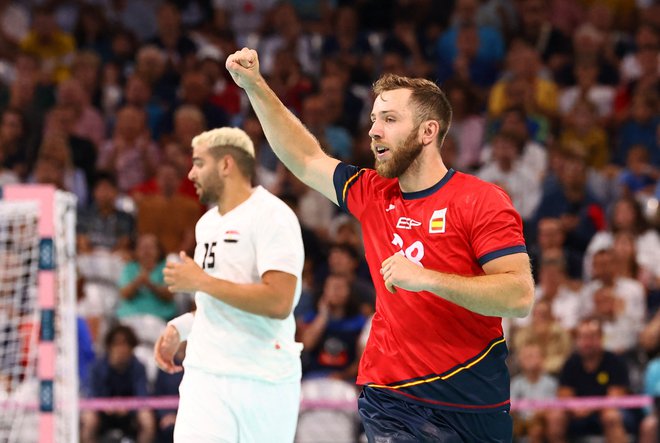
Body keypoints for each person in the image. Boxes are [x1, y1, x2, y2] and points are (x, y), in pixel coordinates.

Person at [226, 48, 534, 442]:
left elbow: (519, 296)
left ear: (428, 132)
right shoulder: (373, 193)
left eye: (389, 119)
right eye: (374, 119)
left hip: (478, 402)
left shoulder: (481, 200)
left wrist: (427, 279)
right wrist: (255, 86)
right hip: (394, 398)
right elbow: (304, 157)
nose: (373, 131)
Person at [153, 127, 304, 442]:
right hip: (205, 375)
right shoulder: (206, 224)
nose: (191, 173)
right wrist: (181, 327)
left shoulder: (273, 216)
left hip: (262, 380)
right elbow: (217, 300)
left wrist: (202, 282)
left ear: (226, 165)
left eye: (199, 163)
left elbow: (278, 302)